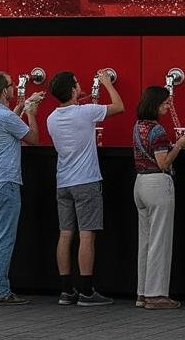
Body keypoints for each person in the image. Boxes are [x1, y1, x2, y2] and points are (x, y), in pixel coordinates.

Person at [47, 68, 123, 306]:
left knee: (65, 234)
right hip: (86, 181)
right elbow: (119, 106)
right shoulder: (86, 112)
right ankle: (87, 291)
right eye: (77, 83)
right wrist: (107, 83)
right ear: (71, 90)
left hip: (63, 182)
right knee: (87, 235)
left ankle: (65, 290)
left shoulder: (51, 118)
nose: (80, 85)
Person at [0, 71, 44, 306]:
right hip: (6, 183)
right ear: (4, 91)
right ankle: (1, 291)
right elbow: (33, 139)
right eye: (11, 85)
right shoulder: (4, 117)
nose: (14, 87)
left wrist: (23, 106)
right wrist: (32, 114)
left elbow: (9, 123)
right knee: (4, 239)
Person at [132, 84, 185, 309]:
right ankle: (156, 295)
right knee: (159, 241)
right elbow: (163, 162)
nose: (168, 106)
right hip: (157, 183)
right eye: (165, 103)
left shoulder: (138, 126)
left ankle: (142, 292)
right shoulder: (157, 130)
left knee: (145, 241)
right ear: (155, 105)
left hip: (140, 183)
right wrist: (179, 145)